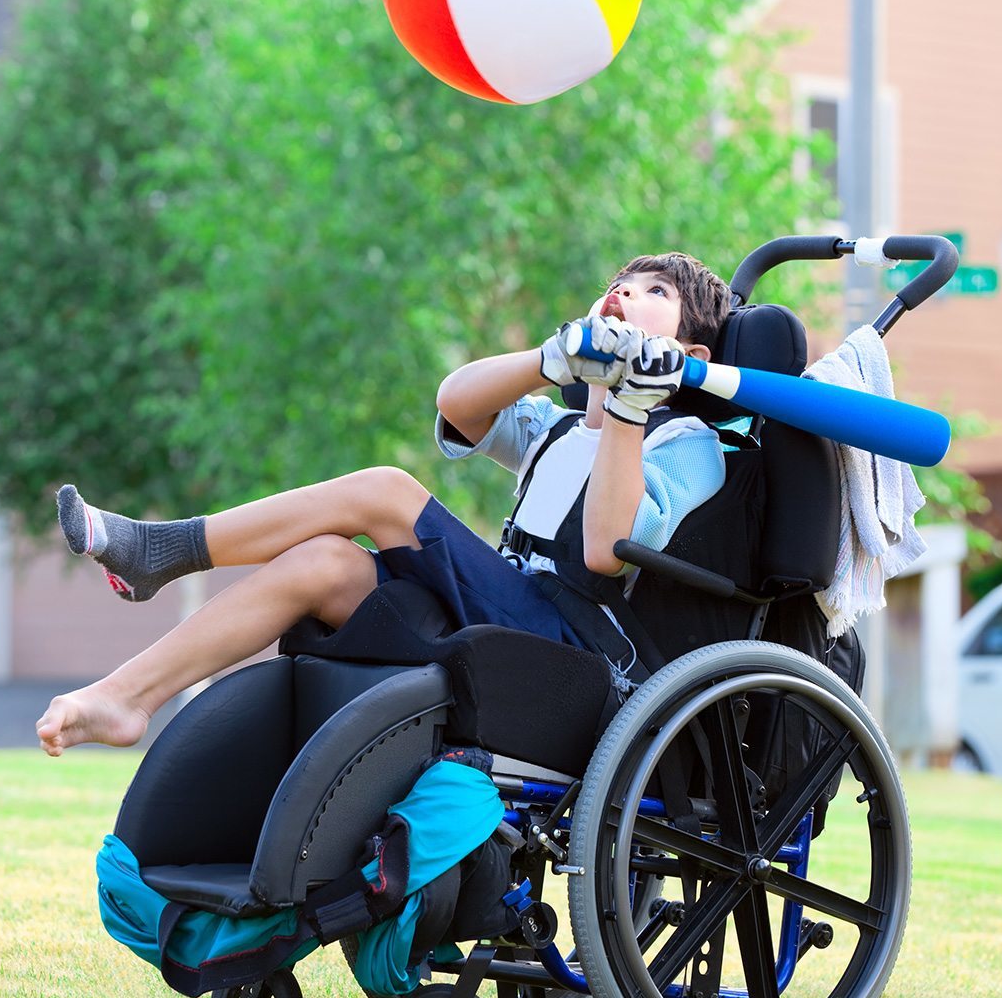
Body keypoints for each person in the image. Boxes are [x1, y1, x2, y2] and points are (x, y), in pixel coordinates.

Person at [36, 252, 733, 756]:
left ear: (689, 349)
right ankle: (128, 697)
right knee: (323, 564)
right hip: (505, 614)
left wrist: (634, 407)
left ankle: (162, 550)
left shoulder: (687, 442)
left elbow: (602, 550)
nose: (619, 293)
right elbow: (456, 401)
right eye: (614, 284)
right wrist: (550, 362)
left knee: (385, 491)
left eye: (650, 292)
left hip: (576, 660)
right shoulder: (551, 428)